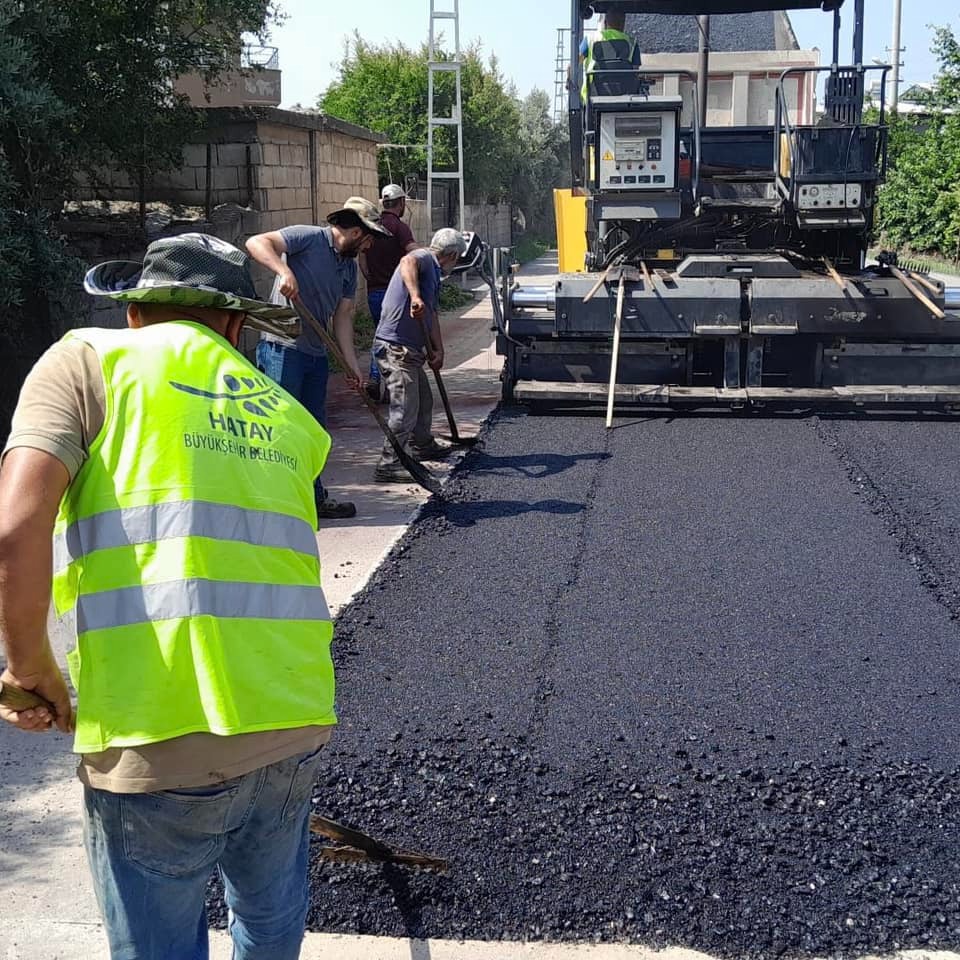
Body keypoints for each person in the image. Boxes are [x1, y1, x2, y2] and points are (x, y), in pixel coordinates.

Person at [0, 233, 338, 960]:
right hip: (293, 718)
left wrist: (30, 670)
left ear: (134, 314)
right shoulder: (286, 414)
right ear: (237, 326)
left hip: (156, 736)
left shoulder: (88, 361)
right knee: (271, 927)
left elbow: (14, 530)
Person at [246, 196, 391, 519]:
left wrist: (352, 367)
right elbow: (256, 242)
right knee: (280, 429)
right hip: (282, 349)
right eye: (369, 239)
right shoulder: (307, 237)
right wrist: (283, 270)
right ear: (356, 233)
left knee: (313, 432)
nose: (369, 247)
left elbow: (343, 317)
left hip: (315, 354)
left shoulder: (348, 268)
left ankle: (312, 497)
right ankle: (274, 503)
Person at [371, 228, 467, 484]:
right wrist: (414, 296)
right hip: (394, 348)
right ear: (453, 255)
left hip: (411, 350)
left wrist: (438, 350)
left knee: (423, 400)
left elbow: (431, 315)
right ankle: (389, 463)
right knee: (404, 408)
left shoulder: (433, 274)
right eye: (458, 259)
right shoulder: (424, 257)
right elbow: (407, 261)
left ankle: (423, 444)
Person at [361, 184, 419, 403]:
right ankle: (388, 384)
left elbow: (363, 258)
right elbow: (413, 253)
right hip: (395, 296)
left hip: (374, 292)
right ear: (401, 202)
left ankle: (377, 381)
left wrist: (370, 277)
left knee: (379, 335)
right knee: (393, 342)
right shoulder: (400, 228)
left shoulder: (372, 227)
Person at [579, 11, 640, 102]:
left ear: (605, 23)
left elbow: (575, 63)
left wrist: (569, 81)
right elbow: (635, 72)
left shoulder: (590, 39)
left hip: (591, 98)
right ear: (623, 24)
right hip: (625, 99)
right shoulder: (632, 43)